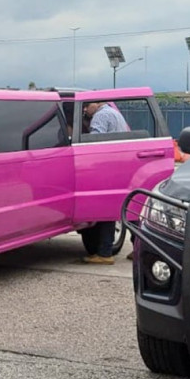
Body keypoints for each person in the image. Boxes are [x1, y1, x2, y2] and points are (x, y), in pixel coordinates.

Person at [81, 101, 128, 265]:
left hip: (107, 167)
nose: (85, 109)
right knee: (128, 209)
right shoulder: (116, 113)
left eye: (87, 105)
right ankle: (139, 248)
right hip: (121, 165)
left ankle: (105, 253)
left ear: (97, 102)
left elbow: (93, 144)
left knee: (106, 210)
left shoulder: (100, 117)